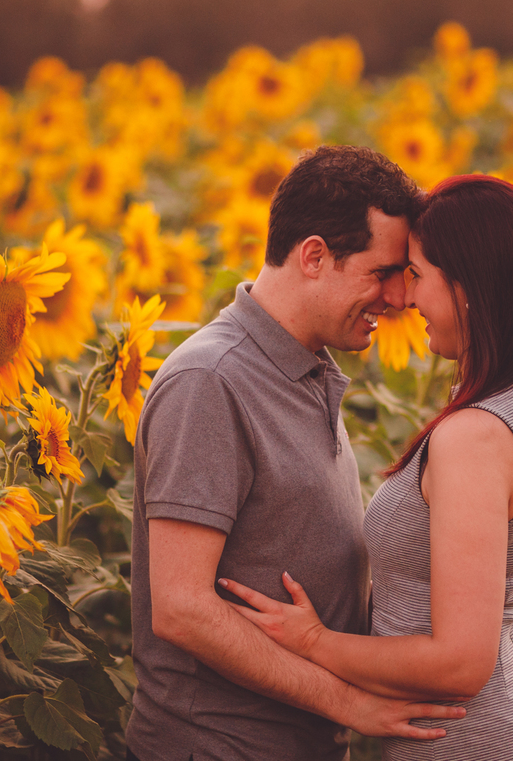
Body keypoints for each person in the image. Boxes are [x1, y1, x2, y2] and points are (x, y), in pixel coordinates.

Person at [222, 174, 513, 760]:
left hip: (472, 742)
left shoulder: (474, 437)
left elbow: (460, 665)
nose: (404, 297)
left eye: (417, 274)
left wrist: (317, 642)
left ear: (469, 285)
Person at [125, 145, 467, 761]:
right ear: (313, 256)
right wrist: (347, 702)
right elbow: (180, 609)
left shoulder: (303, 369)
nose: (397, 298)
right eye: (382, 272)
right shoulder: (211, 381)